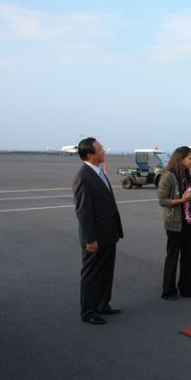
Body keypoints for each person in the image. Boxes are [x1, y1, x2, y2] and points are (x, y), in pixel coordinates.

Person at [73, 137, 123, 325]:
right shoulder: (84, 176)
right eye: (100, 149)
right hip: (95, 237)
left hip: (109, 233)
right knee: (92, 274)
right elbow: (83, 210)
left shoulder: (99, 172)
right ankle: (89, 311)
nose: (104, 151)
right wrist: (90, 238)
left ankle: (103, 304)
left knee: (106, 271)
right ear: (90, 154)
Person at [157, 146, 191, 300]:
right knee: (173, 257)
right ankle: (168, 291)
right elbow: (162, 200)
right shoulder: (168, 176)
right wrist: (182, 200)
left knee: (189, 257)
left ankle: (187, 288)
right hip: (175, 223)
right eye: (190, 158)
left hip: (189, 222)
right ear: (180, 160)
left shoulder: (189, 176)